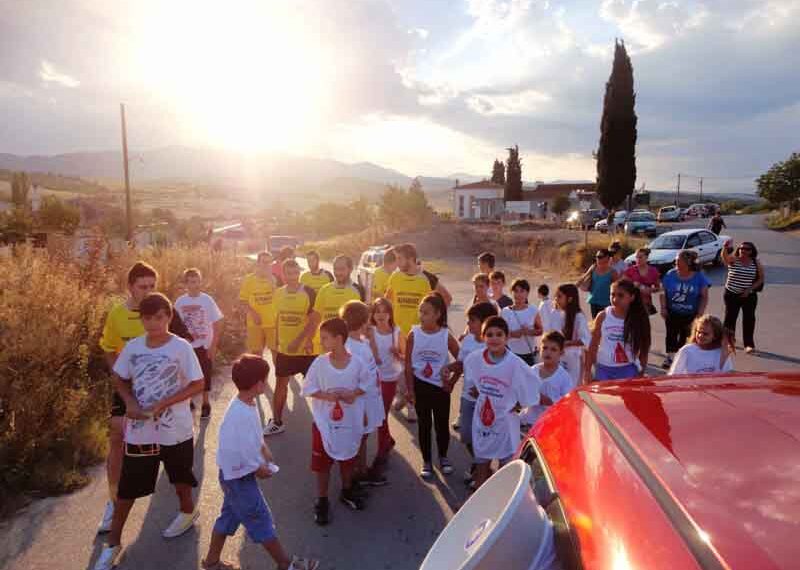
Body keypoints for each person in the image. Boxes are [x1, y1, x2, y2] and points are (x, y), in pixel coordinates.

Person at [94, 293, 204, 570]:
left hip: (175, 429)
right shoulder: (133, 348)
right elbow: (118, 376)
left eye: (160, 317)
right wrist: (129, 401)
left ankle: (188, 512)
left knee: (180, 479)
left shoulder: (181, 348)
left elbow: (198, 384)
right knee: (128, 488)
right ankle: (113, 545)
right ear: (140, 319)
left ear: (168, 317)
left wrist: (163, 403)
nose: (154, 323)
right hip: (141, 432)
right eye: (147, 318)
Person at [202, 355, 319, 570]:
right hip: (239, 477)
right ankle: (285, 564)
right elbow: (238, 450)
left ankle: (211, 562)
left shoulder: (244, 402)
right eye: (265, 380)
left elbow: (251, 436)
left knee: (228, 517)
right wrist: (258, 468)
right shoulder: (239, 414)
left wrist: (263, 447)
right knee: (260, 518)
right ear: (258, 385)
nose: (266, 384)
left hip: (232, 477)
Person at [96, 261, 158, 535]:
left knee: (164, 444)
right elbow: (109, 349)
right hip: (127, 387)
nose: (148, 291)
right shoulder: (117, 315)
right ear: (130, 287)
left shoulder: (161, 311)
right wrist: (119, 377)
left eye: (152, 286)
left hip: (158, 389)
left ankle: (181, 500)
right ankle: (113, 501)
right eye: (143, 286)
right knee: (117, 437)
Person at [301, 318, 370, 525]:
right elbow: (308, 388)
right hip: (324, 423)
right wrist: (325, 396)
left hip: (349, 422)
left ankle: (346, 490)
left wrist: (354, 393)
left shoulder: (357, 363)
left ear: (339, 339)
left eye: (324, 338)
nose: (321, 342)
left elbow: (366, 384)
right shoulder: (320, 363)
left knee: (347, 457)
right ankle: (322, 500)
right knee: (322, 464)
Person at [465, 316, 539, 489]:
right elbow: (472, 381)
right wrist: (478, 390)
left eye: (499, 334)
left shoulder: (515, 364)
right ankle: (479, 500)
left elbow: (532, 387)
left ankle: (502, 505)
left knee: (505, 468)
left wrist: (520, 405)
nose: (494, 338)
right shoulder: (475, 359)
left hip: (505, 421)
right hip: (483, 420)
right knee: (482, 463)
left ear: (507, 338)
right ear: (483, 337)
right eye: (489, 334)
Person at [440, 302, 498, 487]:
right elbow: (461, 364)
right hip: (467, 397)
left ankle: (482, 472)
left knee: (483, 436)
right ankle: (482, 467)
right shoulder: (468, 341)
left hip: (487, 401)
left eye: (472, 321)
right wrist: (451, 376)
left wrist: (484, 390)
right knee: (466, 435)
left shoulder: (494, 344)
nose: (469, 324)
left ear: (485, 322)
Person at [405, 293, 460, 479]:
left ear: (437, 314)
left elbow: (462, 360)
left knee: (442, 425)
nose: (421, 315)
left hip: (440, 388)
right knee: (424, 425)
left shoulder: (446, 335)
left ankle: (443, 457)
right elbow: (407, 365)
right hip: (420, 386)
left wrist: (451, 381)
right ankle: (427, 460)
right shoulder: (413, 334)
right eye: (420, 311)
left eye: (426, 312)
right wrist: (410, 389)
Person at [264, 259, 321, 436]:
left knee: (317, 387)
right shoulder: (278, 293)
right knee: (281, 384)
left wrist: (304, 340)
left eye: (295, 273)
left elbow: (314, 320)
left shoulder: (308, 292)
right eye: (288, 273)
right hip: (285, 350)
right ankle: (277, 422)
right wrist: (275, 342)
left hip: (306, 351)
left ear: (299, 273)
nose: (292, 277)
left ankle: (324, 422)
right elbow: (278, 318)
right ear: (283, 274)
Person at [340, 300, 386, 486]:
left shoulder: (362, 341)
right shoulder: (351, 347)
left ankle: (362, 470)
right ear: (363, 321)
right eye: (368, 318)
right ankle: (354, 477)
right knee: (359, 438)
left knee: (364, 436)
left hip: (371, 397)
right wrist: (364, 411)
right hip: (361, 402)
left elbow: (376, 360)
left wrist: (371, 338)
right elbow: (354, 380)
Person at [174, 268, 224, 420]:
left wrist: (214, 345)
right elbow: (175, 324)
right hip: (187, 346)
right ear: (186, 284)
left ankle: (205, 403)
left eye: (197, 281)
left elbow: (217, 322)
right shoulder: (180, 302)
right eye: (191, 282)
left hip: (204, 345)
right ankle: (188, 401)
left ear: (200, 282)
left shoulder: (207, 300)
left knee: (205, 375)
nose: (194, 285)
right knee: (186, 375)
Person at [585, 279, 651, 382]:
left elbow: (644, 349)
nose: (615, 299)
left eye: (620, 295)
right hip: (603, 369)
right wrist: (587, 371)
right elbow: (593, 345)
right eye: (612, 295)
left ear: (632, 297)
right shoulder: (603, 316)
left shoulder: (639, 318)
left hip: (628, 369)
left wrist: (641, 373)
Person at [368, 297, 405, 477]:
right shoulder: (370, 331)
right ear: (372, 315)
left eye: (385, 311)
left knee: (381, 415)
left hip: (390, 378)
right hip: (373, 379)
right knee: (379, 415)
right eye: (377, 311)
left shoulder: (397, 332)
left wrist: (397, 353)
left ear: (391, 314)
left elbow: (405, 357)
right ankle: (387, 440)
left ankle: (381, 454)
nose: (381, 315)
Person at [659, 250, 710, 369]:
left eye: (678, 260)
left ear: (687, 263)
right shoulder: (670, 274)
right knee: (671, 334)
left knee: (686, 336)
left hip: (690, 314)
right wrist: (663, 308)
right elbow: (663, 292)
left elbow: (704, 296)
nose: (675, 262)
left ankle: (682, 358)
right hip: (672, 312)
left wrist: (700, 313)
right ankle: (670, 357)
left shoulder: (699, 277)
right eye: (676, 260)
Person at [311, 254, 365, 354]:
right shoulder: (324, 289)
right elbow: (316, 318)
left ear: (350, 269)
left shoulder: (358, 290)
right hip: (324, 347)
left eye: (342, 269)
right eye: (335, 269)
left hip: (349, 348)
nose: (338, 273)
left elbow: (363, 321)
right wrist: (309, 340)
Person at [523, 331, 575, 426]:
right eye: (545, 348)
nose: (548, 352)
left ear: (561, 353)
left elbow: (568, 404)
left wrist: (549, 401)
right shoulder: (532, 371)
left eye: (553, 349)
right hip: (529, 422)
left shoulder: (564, 377)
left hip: (550, 424)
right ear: (540, 349)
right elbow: (522, 391)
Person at [721, 241, 764, 353]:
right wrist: (725, 248)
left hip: (749, 296)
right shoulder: (734, 260)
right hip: (731, 293)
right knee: (730, 319)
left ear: (751, 251)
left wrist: (749, 289)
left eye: (747, 249)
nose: (743, 250)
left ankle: (749, 344)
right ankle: (730, 342)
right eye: (741, 248)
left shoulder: (756, 262)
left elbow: (761, 279)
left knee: (749, 319)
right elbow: (724, 258)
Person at [239, 252, 277, 358]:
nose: (266, 265)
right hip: (255, 323)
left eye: (269, 262)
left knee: (276, 353)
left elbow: (280, 299)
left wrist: (272, 283)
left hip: (272, 323)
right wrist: (253, 313)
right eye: (264, 262)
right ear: (258, 263)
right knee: (256, 355)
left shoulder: (274, 279)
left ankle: (281, 375)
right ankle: (260, 375)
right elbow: (243, 300)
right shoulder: (248, 279)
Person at [553, 284, 591, 386]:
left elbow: (585, 340)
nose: (556, 299)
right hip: (560, 357)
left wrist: (566, 343)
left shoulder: (579, 317)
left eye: (559, 296)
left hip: (573, 359)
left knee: (572, 387)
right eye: (556, 296)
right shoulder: (559, 313)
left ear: (569, 299)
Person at [669, 315, 734, 375]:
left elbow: (727, 376)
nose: (700, 336)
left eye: (705, 334)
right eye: (699, 332)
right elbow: (674, 374)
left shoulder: (722, 352)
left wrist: (724, 353)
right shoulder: (687, 350)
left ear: (715, 336)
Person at [501, 279, 543, 365]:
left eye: (522, 291)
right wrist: (514, 334)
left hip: (529, 354)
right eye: (516, 291)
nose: (518, 294)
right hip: (510, 353)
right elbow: (501, 333)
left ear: (527, 293)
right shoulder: (505, 312)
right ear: (511, 293)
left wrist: (528, 332)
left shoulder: (533, 310)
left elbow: (540, 331)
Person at [577, 248, 618, 318]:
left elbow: (617, 287)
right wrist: (575, 286)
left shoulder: (612, 272)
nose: (597, 259)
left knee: (605, 324)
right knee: (595, 323)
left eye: (600, 257)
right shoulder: (593, 267)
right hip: (594, 301)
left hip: (606, 303)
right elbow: (584, 277)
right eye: (596, 257)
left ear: (607, 258)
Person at [623, 248, 661, 315]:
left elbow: (659, 288)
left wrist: (650, 290)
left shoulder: (653, 271)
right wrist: (633, 285)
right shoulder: (630, 270)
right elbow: (622, 285)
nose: (638, 259)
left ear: (646, 257)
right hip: (632, 304)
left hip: (647, 305)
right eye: (636, 257)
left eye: (640, 257)